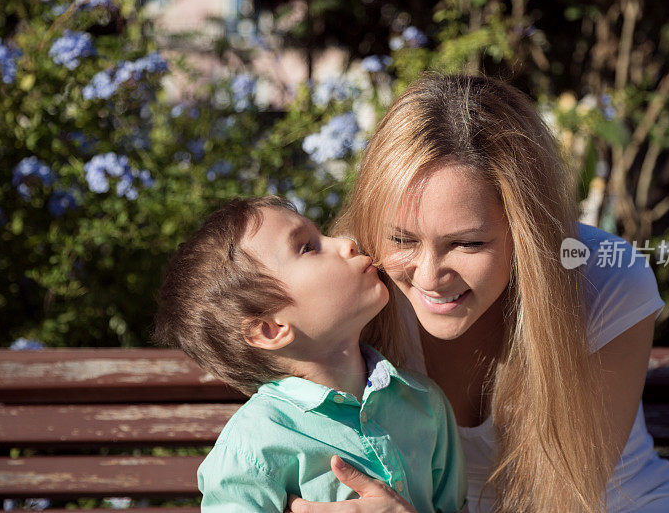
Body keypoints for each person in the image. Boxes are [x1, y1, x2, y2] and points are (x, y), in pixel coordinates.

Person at [286, 74, 669, 512]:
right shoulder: (350, 287)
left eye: (467, 243)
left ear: (527, 231)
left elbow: (561, 503)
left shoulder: (603, 279)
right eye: (402, 240)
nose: (429, 276)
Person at [153, 196, 468, 513]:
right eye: (307, 247)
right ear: (271, 328)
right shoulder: (254, 444)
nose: (346, 243)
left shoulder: (425, 403)